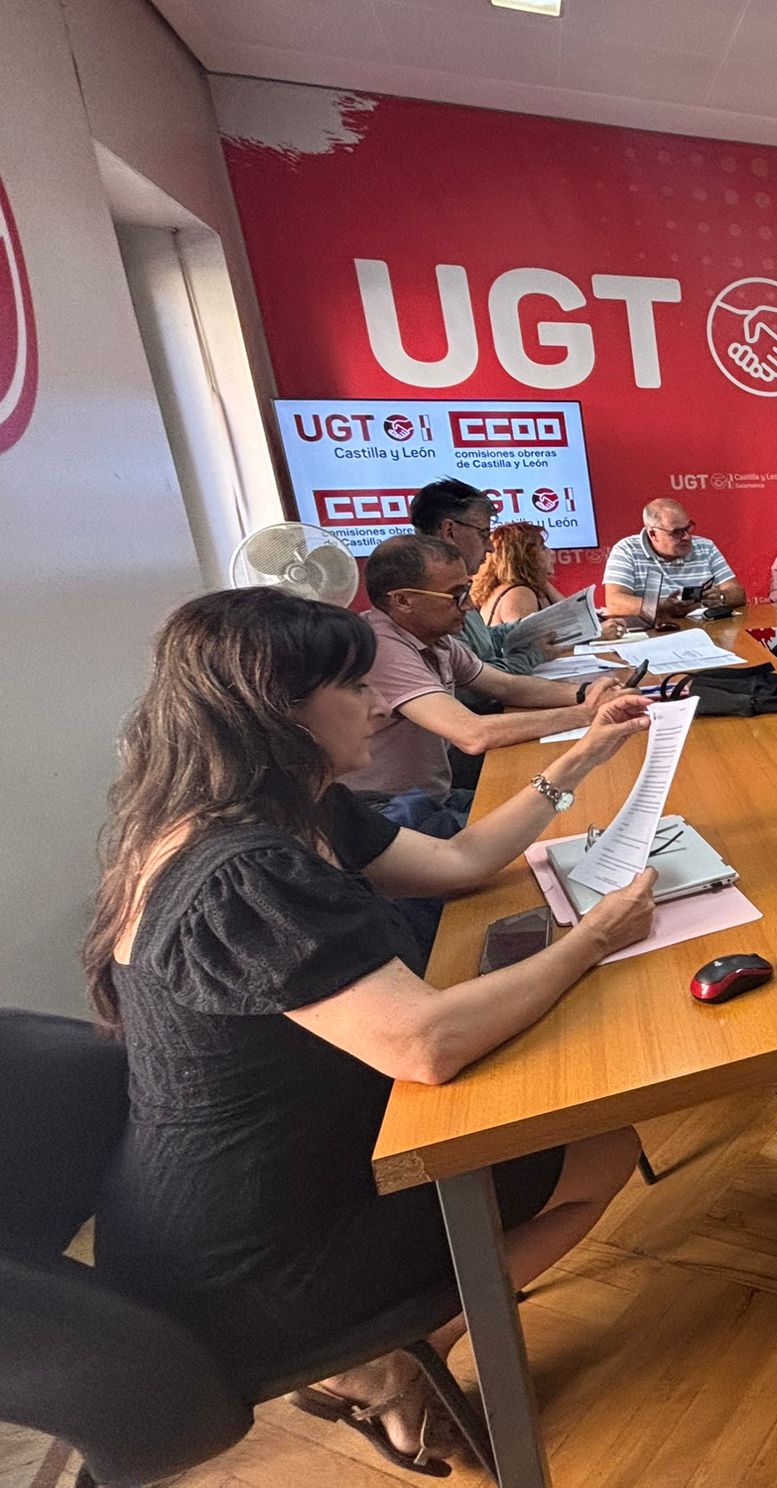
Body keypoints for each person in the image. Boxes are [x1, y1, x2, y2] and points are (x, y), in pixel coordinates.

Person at [83, 587, 657, 1475]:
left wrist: (580, 758)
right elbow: (425, 1045)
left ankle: (394, 1355)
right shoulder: (243, 873)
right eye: (352, 688)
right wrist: (592, 941)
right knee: (604, 1150)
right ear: (278, 713)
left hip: (277, 1171)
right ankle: (387, 1362)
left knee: (588, 1136)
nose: (378, 702)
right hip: (252, 1251)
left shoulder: (282, 808)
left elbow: (460, 862)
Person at [348, 535, 625, 808]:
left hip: (432, 798)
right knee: (564, 811)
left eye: (467, 590)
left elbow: (506, 686)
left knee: (575, 802)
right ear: (403, 601)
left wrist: (586, 692)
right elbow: (472, 734)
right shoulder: (381, 648)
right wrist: (586, 713)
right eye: (456, 595)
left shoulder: (434, 637)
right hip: (390, 813)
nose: (469, 605)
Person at [408, 478, 556, 675]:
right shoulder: (429, 599)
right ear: (449, 531)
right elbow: (474, 679)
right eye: (484, 534)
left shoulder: (445, 587)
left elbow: (481, 642)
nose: (490, 547)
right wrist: (534, 655)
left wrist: (533, 626)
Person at [602, 498, 744, 623]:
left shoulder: (705, 547)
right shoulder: (627, 550)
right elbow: (615, 602)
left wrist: (721, 597)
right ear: (653, 534)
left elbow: (738, 593)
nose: (687, 537)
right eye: (676, 532)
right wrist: (661, 607)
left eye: (688, 528)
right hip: (652, 633)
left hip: (706, 629)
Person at [472, 520, 565, 626]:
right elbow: (529, 636)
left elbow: (569, 612)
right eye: (543, 548)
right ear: (525, 557)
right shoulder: (519, 594)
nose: (552, 552)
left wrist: (541, 580)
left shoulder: (530, 589)